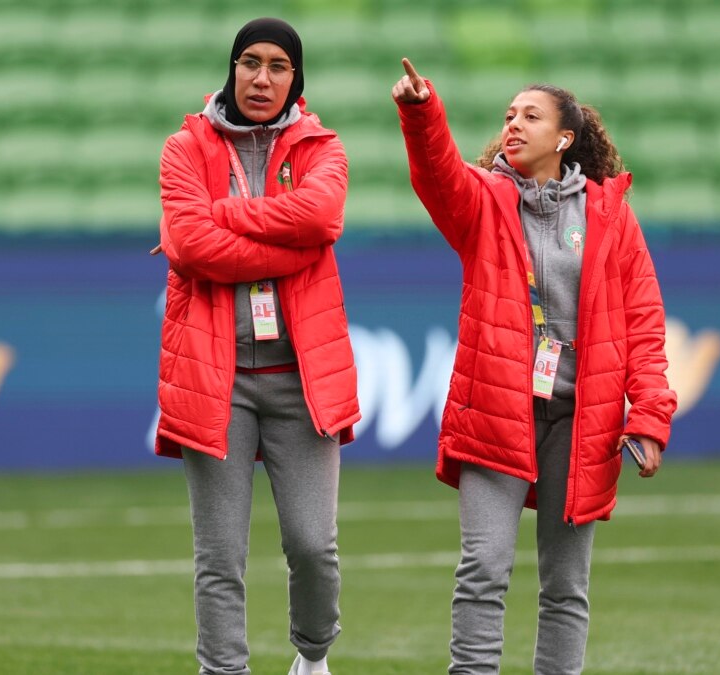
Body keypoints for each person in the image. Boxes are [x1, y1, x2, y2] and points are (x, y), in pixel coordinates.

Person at [391, 58, 677, 674]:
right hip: (495, 412)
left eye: (531, 115)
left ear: (565, 137)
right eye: (509, 116)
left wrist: (649, 417)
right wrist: (421, 113)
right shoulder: (483, 202)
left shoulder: (611, 215)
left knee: (566, 588)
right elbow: (438, 177)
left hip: (583, 423)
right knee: (482, 570)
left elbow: (644, 325)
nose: (513, 124)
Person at [154, 18, 359, 675]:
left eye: (278, 65)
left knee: (312, 544)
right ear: (231, 69)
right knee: (219, 554)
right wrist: (284, 234)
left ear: (296, 79)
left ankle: (312, 652)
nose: (261, 77)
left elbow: (322, 219)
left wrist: (223, 215)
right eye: (249, 62)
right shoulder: (184, 147)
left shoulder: (323, 147)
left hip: (302, 378)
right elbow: (189, 246)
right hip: (215, 378)